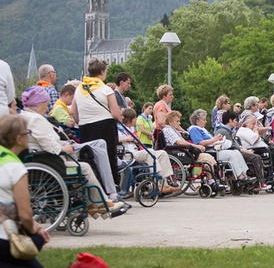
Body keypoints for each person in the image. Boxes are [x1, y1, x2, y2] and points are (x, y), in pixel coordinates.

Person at [20, 86, 126, 215]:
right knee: (84, 168)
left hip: (40, 160)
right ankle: (102, 202)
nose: (47, 108)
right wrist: (64, 148)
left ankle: (94, 203)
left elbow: (44, 141)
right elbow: (49, 145)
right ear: (39, 103)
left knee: (85, 159)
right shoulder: (36, 119)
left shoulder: (24, 117)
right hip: (50, 163)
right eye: (46, 104)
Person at [0, 115, 51, 268]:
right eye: (27, 133)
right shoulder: (15, 167)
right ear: (18, 138)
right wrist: (35, 228)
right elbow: (25, 216)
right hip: (3, 237)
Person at [71, 57, 123, 186]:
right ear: (102, 72)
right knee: (108, 157)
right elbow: (116, 113)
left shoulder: (79, 89)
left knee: (89, 157)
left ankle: (92, 184)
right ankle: (111, 187)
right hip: (105, 126)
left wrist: (81, 121)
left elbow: (73, 111)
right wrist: (120, 117)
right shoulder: (106, 89)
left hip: (85, 128)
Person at [117, 108, 180, 194]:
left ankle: (164, 184)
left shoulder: (132, 130)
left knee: (162, 153)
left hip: (137, 151)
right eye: (135, 118)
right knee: (149, 153)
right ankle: (157, 182)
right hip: (129, 154)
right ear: (129, 119)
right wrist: (127, 138)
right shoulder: (119, 129)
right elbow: (115, 139)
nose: (136, 119)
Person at [186, 109, 253, 184]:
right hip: (209, 151)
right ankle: (239, 176)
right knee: (232, 154)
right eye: (204, 119)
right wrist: (215, 139)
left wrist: (217, 140)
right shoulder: (194, 129)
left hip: (214, 149)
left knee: (236, 152)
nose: (206, 121)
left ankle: (244, 174)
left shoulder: (202, 129)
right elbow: (200, 143)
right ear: (197, 121)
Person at [214, 110, 268, 190]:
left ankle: (245, 175)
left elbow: (235, 145)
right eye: (235, 120)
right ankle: (247, 178)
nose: (236, 122)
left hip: (235, 151)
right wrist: (246, 151)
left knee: (241, 154)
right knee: (252, 156)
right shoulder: (222, 131)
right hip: (224, 152)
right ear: (230, 120)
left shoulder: (228, 130)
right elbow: (232, 145)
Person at [163, 110, 218, 187]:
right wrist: (195, 146)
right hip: (179, 153)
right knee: (207, 159)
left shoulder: (173, 130)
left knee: (207, 160)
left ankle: (211, 180)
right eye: (177, 121)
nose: (179, 123)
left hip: (182, 151)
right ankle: (210, 181)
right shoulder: (168, 130)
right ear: (170, 122)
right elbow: (180, 142)